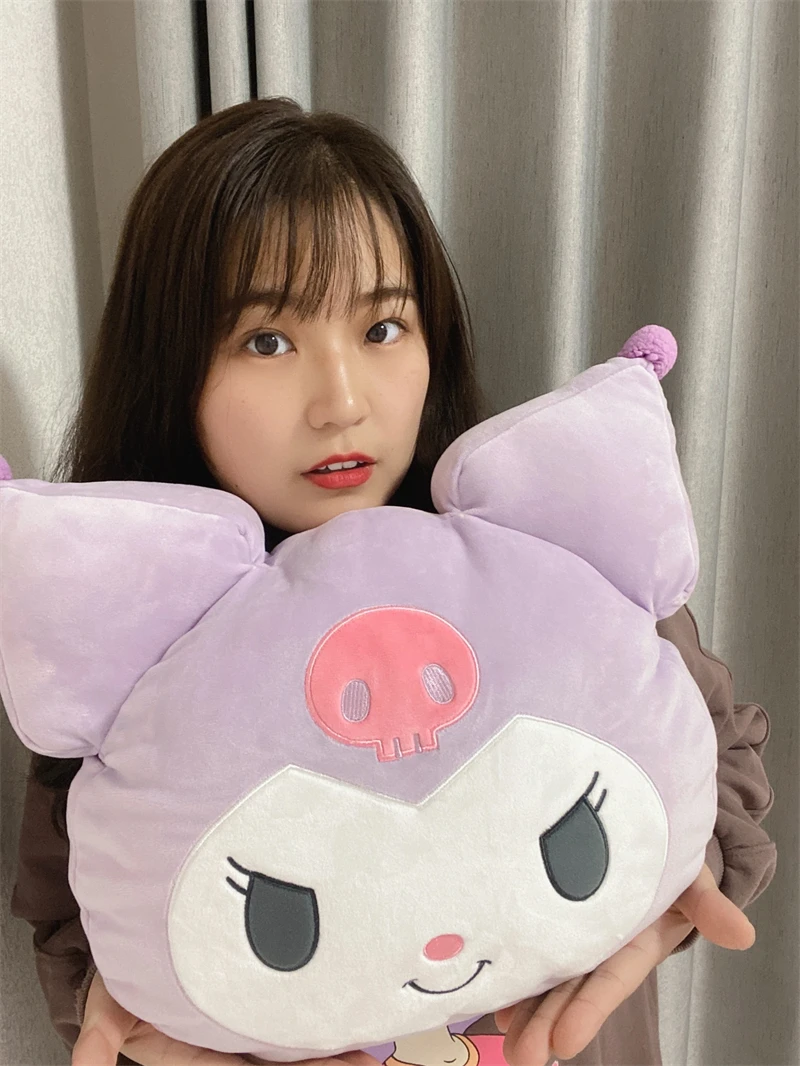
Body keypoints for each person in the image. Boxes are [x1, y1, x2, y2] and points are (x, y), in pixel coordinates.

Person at [8, 97, 776, 1066]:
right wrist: (122, 1008)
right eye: (267, 340)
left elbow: (718, 750)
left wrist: (675, 878)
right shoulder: (131, 654)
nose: (340, 401)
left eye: (381, 326)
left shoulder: (552, 590)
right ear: (169, 368)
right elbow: (74, 912)